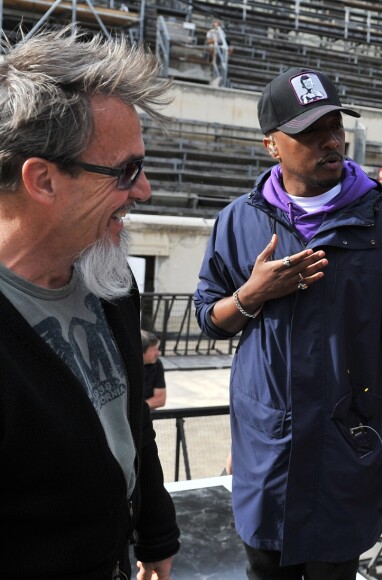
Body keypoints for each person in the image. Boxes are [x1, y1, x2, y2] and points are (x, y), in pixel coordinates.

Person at [194, 66, 382, 579]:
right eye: (310, 132)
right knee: (265, 567)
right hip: (269, 453)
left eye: (335, 126)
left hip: (346, 451)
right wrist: (251, 295)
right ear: (272, 146)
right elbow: (210, 318)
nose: (331, 141)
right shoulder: (238, 219)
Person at [0, 27, 180, 578]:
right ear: (43, 180)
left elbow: (132, 424)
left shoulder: (111, 277)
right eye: (126, 170)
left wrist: (156, 536)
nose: (144, 189)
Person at [142, 330, 167, 409]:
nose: (158, 353)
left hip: (143, 413)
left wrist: (137, 410)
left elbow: (160, 399)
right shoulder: (123, 367)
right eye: (154, 349)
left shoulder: (156, 364)